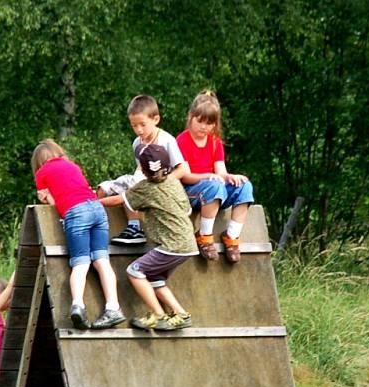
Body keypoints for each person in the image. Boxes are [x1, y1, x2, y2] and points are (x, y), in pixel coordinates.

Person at [31, 138, 125, 330]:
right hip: (98, 209)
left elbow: (55, 204)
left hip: (76, 212)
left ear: (38, 162)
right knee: (101, 261)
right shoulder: (72, 166)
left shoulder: (41, 173)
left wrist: (47, 197)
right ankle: (113, 307)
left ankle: (78, 305)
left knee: (81, 263)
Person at [122, 144, 197, 330]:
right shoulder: (174, 183)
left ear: (142, 169)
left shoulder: (145, 188)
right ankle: (181, 314)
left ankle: (158, 315)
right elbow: (187, 209)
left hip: (171, 246)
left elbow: (121, 200)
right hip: (188, 244)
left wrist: (93, 201)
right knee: (155, 277)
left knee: (134, 271)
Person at [176, 90, 255, 263]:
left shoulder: (214, 142)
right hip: (191, 191)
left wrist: (230, 177)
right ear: (190, 117)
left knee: (245, 186)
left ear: (215, 124)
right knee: (214, 185)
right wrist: (208, 176)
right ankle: (204, 235)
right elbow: (185, 176)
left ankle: (231, 237)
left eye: (209, 123)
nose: (204, 127)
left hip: (214, 189)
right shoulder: (181, 141)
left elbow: (221, 172)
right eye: (200, 121)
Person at [99, 95, 186, 245]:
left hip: (161, 183)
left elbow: (183, 169)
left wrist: (162, 181)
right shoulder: (136, 143)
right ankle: (96, 224)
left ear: (155, 120)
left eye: (142, 125)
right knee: (104, 187)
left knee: (133, 187)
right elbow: (140, 168)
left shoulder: (166, 140)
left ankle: (135, 228)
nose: (139, 130)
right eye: (134, 126)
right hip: (142, 178)